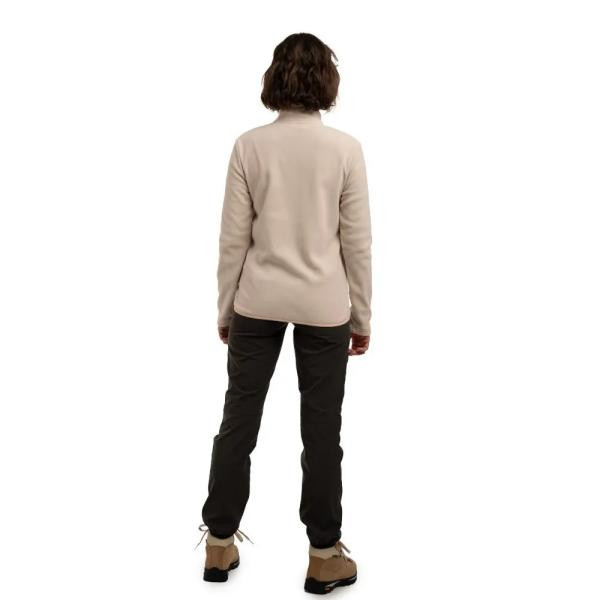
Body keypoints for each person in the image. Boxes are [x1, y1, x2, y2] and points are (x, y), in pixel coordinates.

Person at [198, 32, 372, 594]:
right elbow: (357, 243)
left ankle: (219, 543)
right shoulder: (344, 150)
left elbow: (232, 239)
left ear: (274, 78)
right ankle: (324, 555)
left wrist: (226, 308)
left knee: (238, 421)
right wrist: (362, 317)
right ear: (328, 81)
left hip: (257, 300)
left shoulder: (249, 146)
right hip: (324, 305)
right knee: (322, 432)